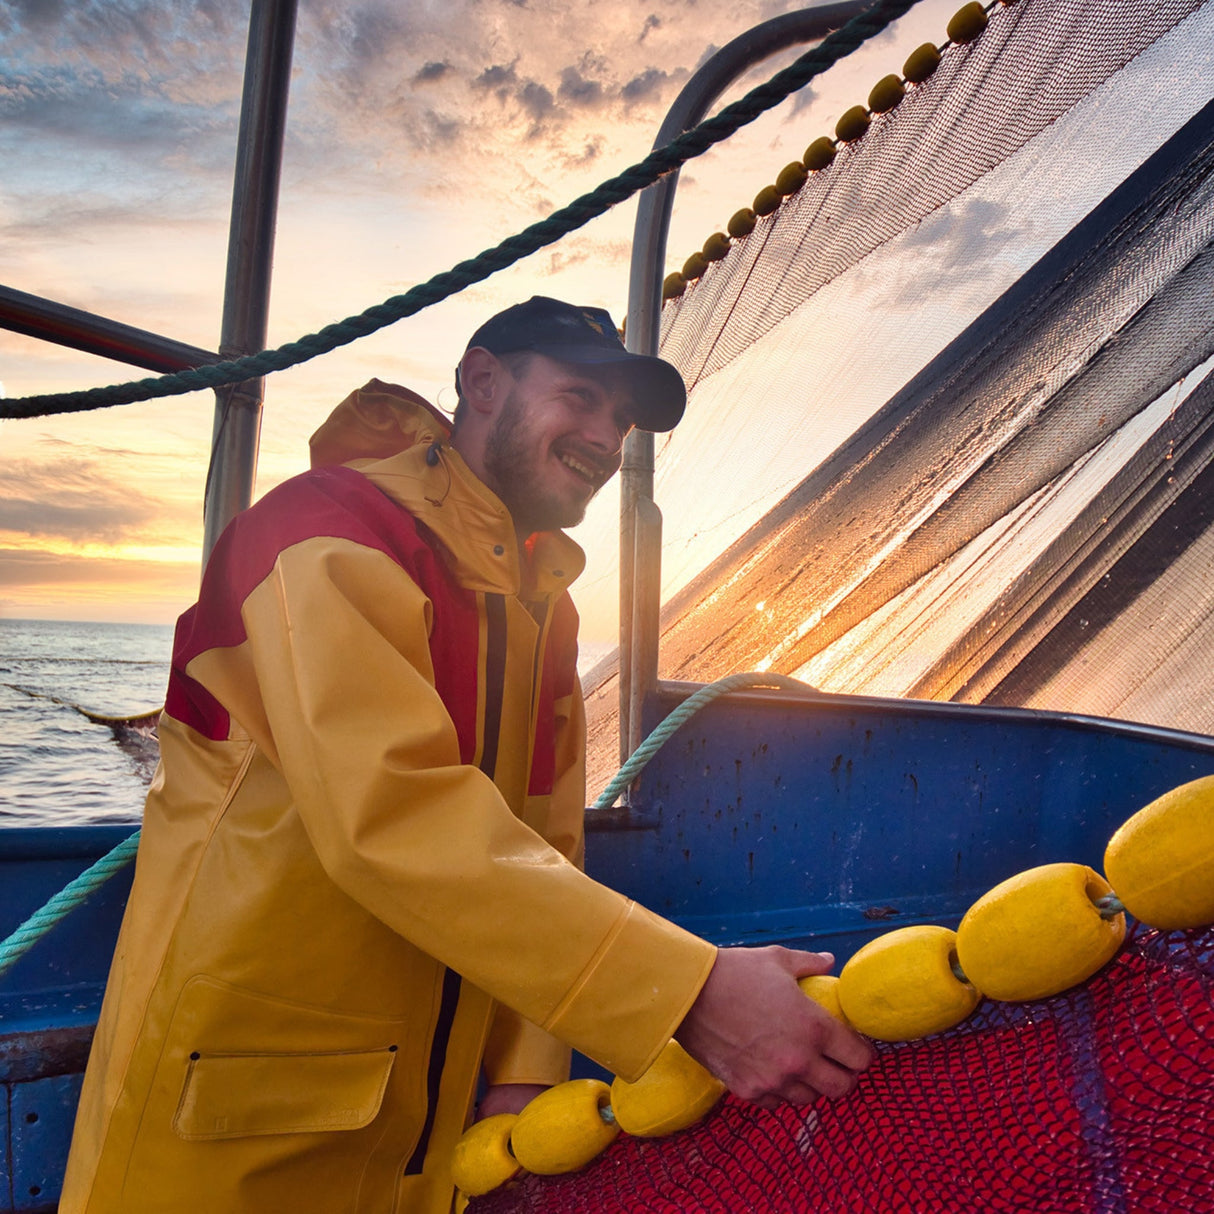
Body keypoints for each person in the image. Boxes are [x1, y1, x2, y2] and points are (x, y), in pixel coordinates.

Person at [61, 297, 873, 1214]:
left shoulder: (543, 605)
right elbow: (390, 816)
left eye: (623, 420)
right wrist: (689, 993)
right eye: (580, 397)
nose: (607, 436)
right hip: (228, 1124)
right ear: (482, 382)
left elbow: (543, 838)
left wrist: (527, 1068)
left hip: (433, 1128)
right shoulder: (322, 535)